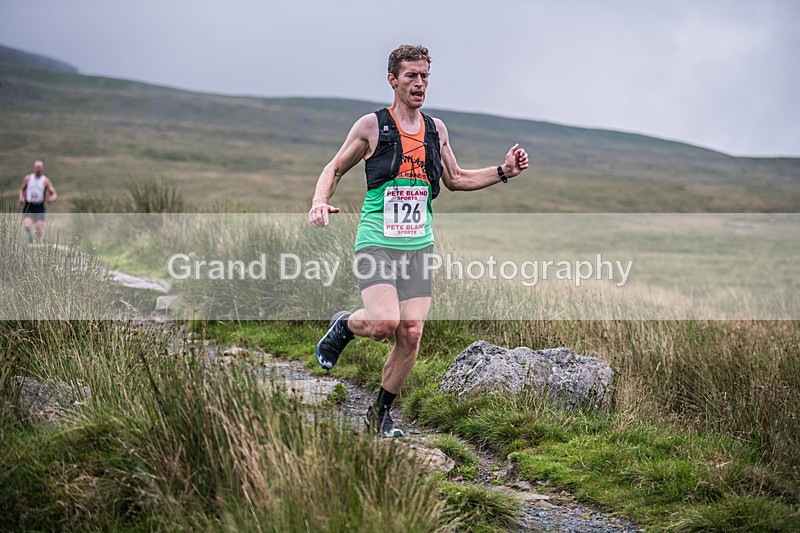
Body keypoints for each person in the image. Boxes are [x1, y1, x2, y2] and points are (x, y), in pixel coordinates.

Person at [308, 44, 529, 437]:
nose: (420, 83)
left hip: (419, 244)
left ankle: (379, 415)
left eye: (425, 75)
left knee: (410, 332)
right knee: (382, 324)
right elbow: (334, 167)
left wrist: (504, 170)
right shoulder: (372, 126)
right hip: (377, 239)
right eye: (411, 75)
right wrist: (319, 202)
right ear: (393, 80)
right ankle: (344, 325)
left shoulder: (435, 129)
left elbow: (456, 178)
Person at [19, 160, 58, 243]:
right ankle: (30, 237)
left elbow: (54, 193)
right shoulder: (28, 179)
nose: (38, 169)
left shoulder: (45, 181)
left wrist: (52, 198)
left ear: (42, 168)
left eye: (40, 167)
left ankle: (37, 243)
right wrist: (21, 198)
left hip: (39, 206)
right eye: (37, 167)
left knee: (39, 228)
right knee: (27, 225)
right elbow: (22, 190)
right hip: (29, 205)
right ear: (34, 168)